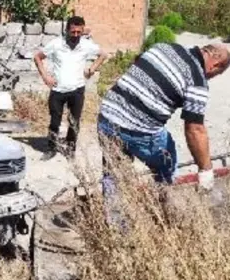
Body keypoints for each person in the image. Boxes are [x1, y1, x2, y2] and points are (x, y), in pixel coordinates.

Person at [98, 43, 230, 203]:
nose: (211, 77)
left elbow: (138, 63)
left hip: (107, 116)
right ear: (215, 65)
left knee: (113, 172)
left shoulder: (164, 47)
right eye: (216, 74)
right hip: (139, 131)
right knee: (167, 161)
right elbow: (194, 129)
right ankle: (161, 204)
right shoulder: (197, 81)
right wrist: (206, 170)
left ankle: (115, 224)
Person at [34, 16, 107, 161]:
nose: (76, 35)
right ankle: (51, 148)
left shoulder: (86, 45)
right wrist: (45, 76)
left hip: (77, 89)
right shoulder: (56, 44)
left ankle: (70, 148)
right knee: (55, 121)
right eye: (73, 32)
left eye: (79, 32)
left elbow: (103, 54)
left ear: (82, 31)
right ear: (67, 30)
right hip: (58, 90)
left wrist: (92, 69)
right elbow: (37, 57)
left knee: (74, 121)